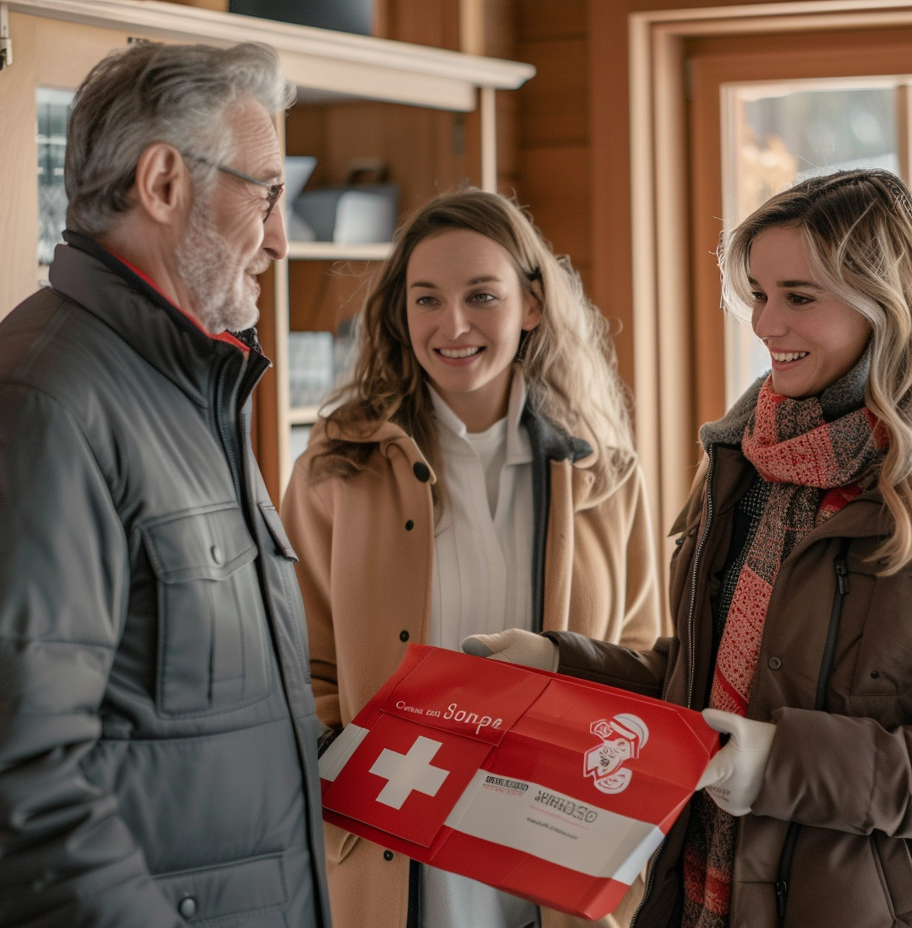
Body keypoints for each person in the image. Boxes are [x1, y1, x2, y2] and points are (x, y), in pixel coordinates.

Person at [463, 168, 912, 928]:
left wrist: (782, 765)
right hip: (696, 900)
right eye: (757, 293)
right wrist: (561, 669)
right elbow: (707, 695)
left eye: (799, 297)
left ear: (881, 300)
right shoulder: (743, 459)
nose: (764, 324)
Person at [0, 42, 332, 927]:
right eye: (267, 192)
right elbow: (14, 800)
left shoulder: (188, 389)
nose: (284, 240)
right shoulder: (32, 412)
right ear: (166, 183)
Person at [279, 187, 665, 928]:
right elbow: (299, 662)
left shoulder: (605, 475)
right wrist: (350, 766)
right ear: (400, 314)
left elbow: (641, 668)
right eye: (426, 300)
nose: (451, 325)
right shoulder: (337, 466)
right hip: (391, 857)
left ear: (530, 305)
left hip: (555, 858)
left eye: (480, 295)